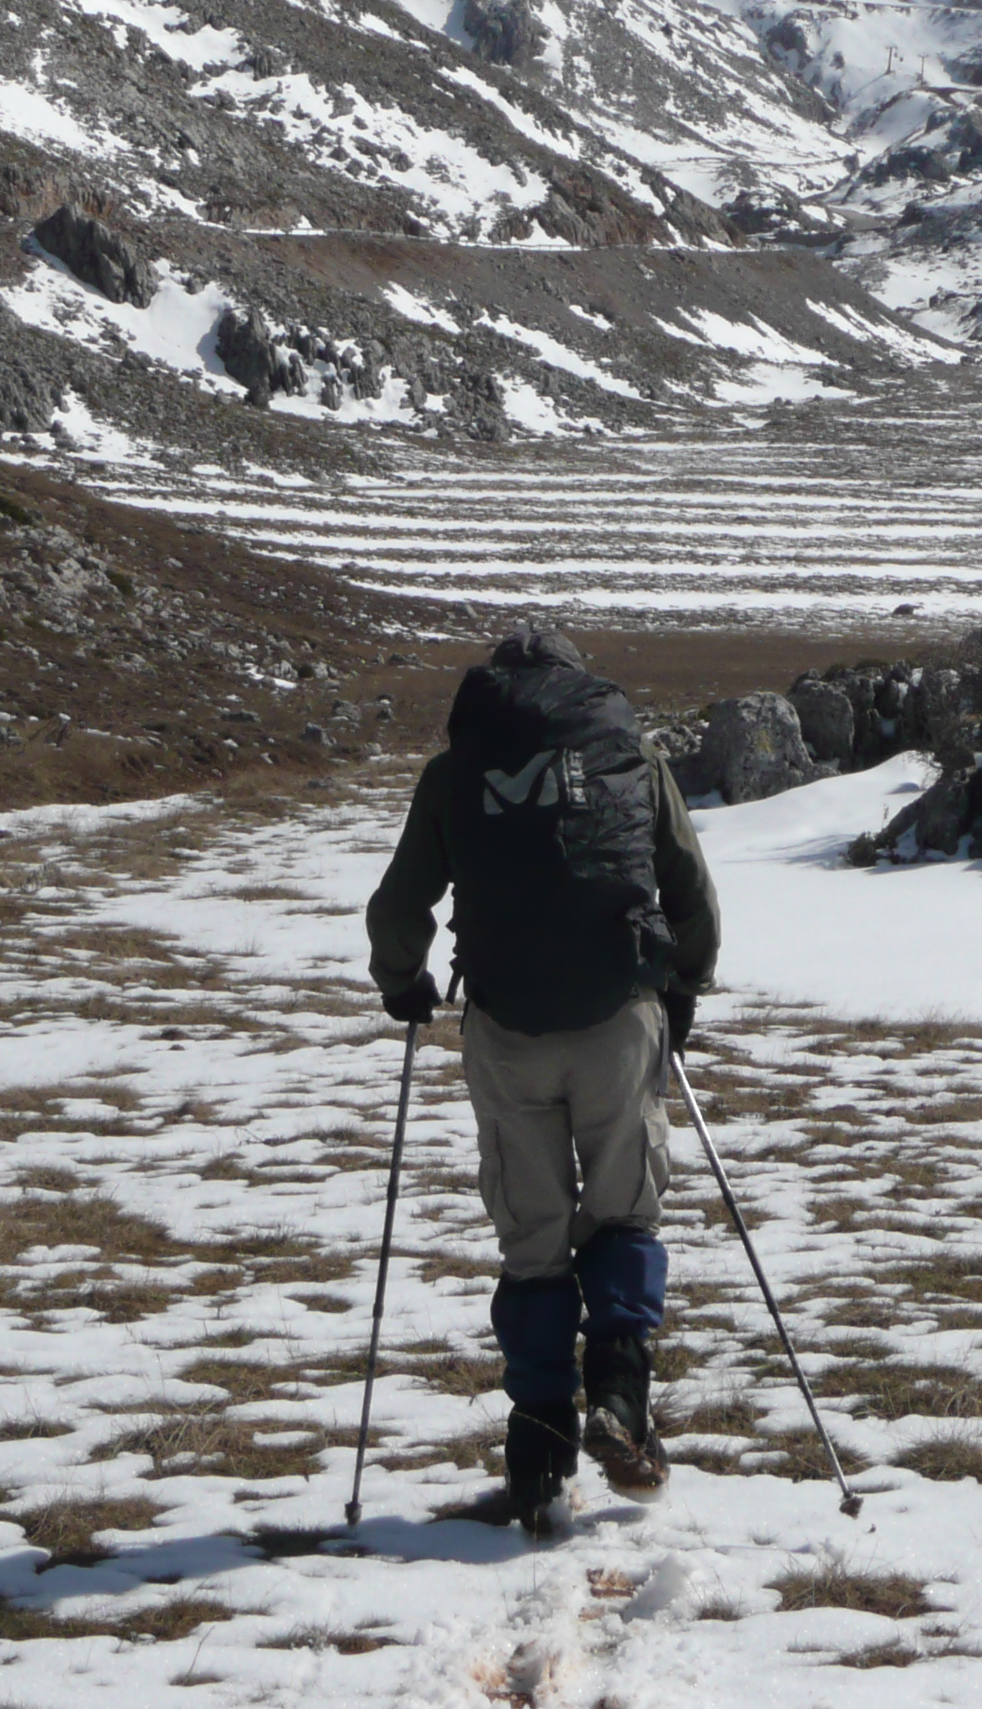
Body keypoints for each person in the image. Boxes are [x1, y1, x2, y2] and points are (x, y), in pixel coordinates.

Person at [365, 623, 721, 1532]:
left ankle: (535, 1451)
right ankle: (620, 1398)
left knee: (532, 1235)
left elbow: (402, 902)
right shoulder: (629, 757)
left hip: (506, 1027)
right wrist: (682, 989)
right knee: (624, 1208)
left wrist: (403, 984)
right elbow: (688, 889)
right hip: (617, 1019)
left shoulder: (457, 771)